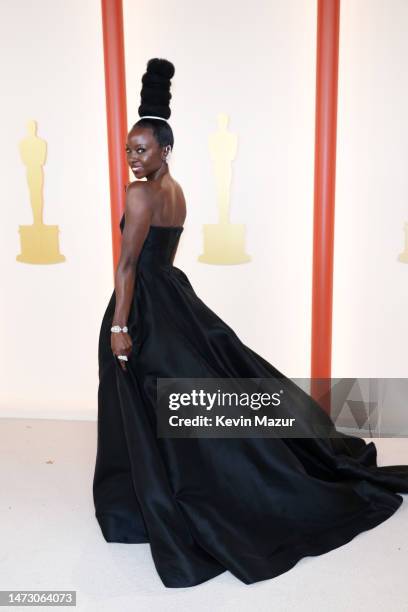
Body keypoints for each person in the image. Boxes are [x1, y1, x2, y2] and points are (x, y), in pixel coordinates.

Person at [93, 58, 408, 588]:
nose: (132, 157)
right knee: (181, 395)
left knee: (150, 395)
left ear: (164, 150)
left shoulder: (141, 193)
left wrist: (121, 325)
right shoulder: (176, 190)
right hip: (174, 296)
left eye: (141, 149)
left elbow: (127, 264)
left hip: (146, 303)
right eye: (128, 149)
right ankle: (163, 492)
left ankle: (150, 504)